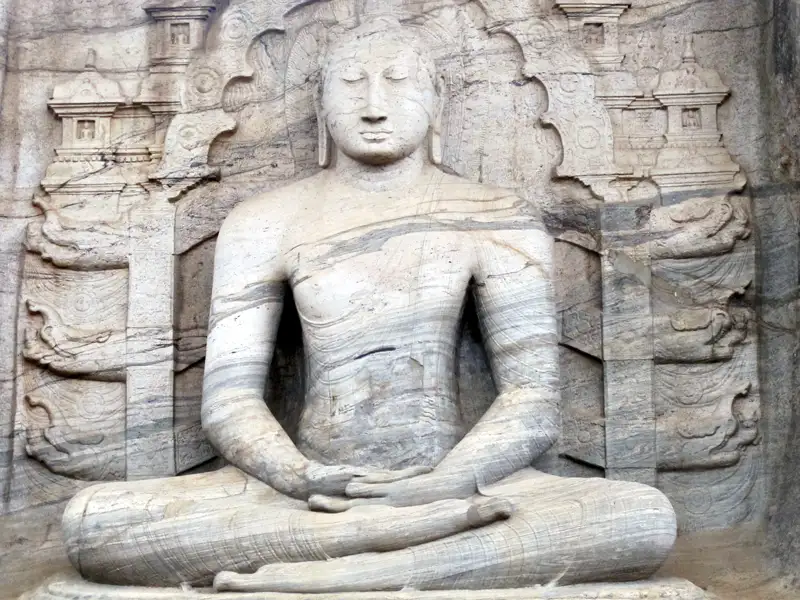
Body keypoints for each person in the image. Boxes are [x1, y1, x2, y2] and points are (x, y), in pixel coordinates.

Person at [62, 17, 676, 593]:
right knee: (92, 522)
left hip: (458, 482)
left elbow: (532, 400)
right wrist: (298, 477)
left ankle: (327, 571)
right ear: (319, 106)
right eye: (350, 85)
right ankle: (398, 549)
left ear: (437, 103)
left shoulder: (497, 218)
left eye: (398, 82)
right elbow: (229, 402)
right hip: (304, 495)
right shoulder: (263, 222)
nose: (374, 104)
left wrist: (444, 484)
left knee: (642, 517)